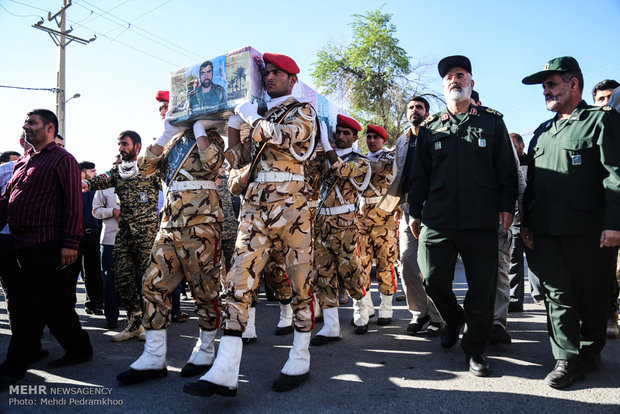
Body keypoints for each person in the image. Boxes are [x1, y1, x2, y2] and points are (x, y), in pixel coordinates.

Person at [183, 52, 317, 397]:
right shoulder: (257, 114)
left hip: (291, 208)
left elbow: (282, 136)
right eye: (267, 72)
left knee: (300, 280)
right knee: (238, 282)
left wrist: (248, 116)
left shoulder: (303, 111)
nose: (270, 77)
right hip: (255, 207)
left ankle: (300, 356)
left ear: (292, 80)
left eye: (277, 73)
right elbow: (237, 160)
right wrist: (232, 127)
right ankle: (225, 369)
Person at [408, 55, 518, 377]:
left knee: (481, 287)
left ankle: (475, 349)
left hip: (480, 219)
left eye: (460, 75)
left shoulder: (492, 122)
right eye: (448, 78)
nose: (454, 80)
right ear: (443, 87)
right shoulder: (430, 128)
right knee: (431, 279)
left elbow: (506, 171)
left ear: (472, 83)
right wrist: (415, 212)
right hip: (438, 219)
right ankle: (453, 318)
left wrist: (508, 206)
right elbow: (419, 176)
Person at [521, 57, 620, 388]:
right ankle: (566, 357)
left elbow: (615, 175)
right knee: (558, 293)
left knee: (593, 295)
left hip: (590, 231)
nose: (545, 91)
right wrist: (528, 226)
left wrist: (614, 223)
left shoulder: (601, 121)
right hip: (548, 232)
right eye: (544, 87)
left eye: (551, 84)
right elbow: (532, 185)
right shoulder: (542, 133)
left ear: (574, 84)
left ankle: (591, 351)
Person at [116, 107, 226, 385]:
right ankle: (154, 356)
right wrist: (165, 136)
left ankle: (206, 349)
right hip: (169, 222)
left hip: (201, 221)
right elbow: (143, 168)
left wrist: (200, 128)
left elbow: (212, 162)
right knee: (152, 284)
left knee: (205, 288)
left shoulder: (213, 137)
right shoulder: (173, 140)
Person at [0, 109, 93, 391]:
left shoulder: (63, 159)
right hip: (20, 243)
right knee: (53, 304)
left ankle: (14, 366)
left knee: (29, 304)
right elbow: (6, 201)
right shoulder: (24, 161)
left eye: (32, 123)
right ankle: (80, 348)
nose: (26, 126)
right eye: (25, 123)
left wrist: (71, 243)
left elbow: (74, 204)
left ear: (49, 128)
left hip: (46, 242)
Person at [83, 131, 160, 342]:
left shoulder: (151, 170)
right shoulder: (117, 172)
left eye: (124, 144)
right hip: (124, 234)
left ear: (137, 146)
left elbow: (171, 192)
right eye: (119, 144)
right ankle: (134, 324)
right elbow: (97, 181)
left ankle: (151, 325)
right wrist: (82, 184)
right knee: (122, 277)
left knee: (149, 280)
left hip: (147, 233)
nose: (121, 148)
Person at [380, 96, 442, 335]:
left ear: (426, 112)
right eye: (410, 107)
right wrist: (397, 207)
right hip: (407, 208)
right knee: (407, 264)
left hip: (433, 208)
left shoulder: (435, 135)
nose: (414, 110)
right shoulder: (402, 140)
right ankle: (419, 313)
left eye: (419, 107)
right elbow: (400, 175)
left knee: (433, 267)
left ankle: (438, 317)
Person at [311, 114, 371, 342]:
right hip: (322, 224)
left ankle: (362, 311)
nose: (341, 136)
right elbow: (309, 177)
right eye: (338, 132)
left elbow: (343, 171)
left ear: (355, 137)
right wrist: (316, 148)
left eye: (347, 133)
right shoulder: (324, 158)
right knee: (323, 275)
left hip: (344, 226)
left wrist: (327, 147)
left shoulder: (361, 161)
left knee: (350, 271)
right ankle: (331, 326)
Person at [356, 124, 398, 325]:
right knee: (361, 265)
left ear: (383, 140)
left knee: (385, 263)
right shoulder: (360, 158)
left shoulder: (389, 158)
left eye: (376, 137)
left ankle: (386, 309)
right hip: (362, 219)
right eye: (369, 137)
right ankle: (367, 308)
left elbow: (378, 169)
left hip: (384, 218)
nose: (371, 140)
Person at [592, 79, 620, 340]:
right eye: (601, 100)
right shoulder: (593, 132)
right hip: (607, 214)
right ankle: (610, 315)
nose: (607, 105)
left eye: (611, 98)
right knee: (610, 270)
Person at [507, 133, 545, 311]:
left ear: (522, 145)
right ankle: (515, 298)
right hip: (514, 219)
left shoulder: (533, 162)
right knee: (514, 259)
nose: (512, 149)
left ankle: (539, 295)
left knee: (536, 258)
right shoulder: (506, 164)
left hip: (534, 218)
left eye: (514, 145)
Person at [66, 161, 104, 315]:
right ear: (82, 173)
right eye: (92, 171)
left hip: (94, 235)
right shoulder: (71, 189)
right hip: (75, 236)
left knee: (93, 271)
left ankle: (94, 303)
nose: (95, 173)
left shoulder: (99, 189)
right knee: (71, 272)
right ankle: (68, 307)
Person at [92, 182, 121, 330]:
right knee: (109, 279)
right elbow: (96, 211)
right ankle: (111, 317)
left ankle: (136, 316)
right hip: (110, 240)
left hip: (135, 240)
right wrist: (112, 212)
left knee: (137, 279)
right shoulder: (105, 187)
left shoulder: (141, 180)